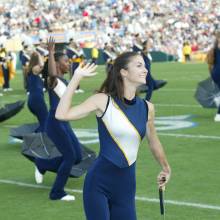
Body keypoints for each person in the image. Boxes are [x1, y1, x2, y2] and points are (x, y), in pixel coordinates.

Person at [56, 51, 171, 219]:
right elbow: (61, 114)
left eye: (145, 66)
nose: (145, 70)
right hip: (99, 183)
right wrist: (76, 78)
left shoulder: (147, 108)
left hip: (126, 187)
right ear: (123, 72)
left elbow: (153, 141)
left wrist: (166, 168)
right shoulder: (103, 100)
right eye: (139, 65)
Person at [34, 38, 82, 201]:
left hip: (64, 122)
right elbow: (52, 73)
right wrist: (51, 52)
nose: (68, 63)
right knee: (69, 157)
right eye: (66, 61)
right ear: (57, 63)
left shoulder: (65, 81)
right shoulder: (52, 80)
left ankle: (42, 164)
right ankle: (57, 193)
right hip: (55, 123)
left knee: (77, 157)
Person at [26, 51, 48, 132]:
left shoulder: (34, 70)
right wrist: (39, 55)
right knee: (45, 122)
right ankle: (40, 140)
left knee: (44, 122)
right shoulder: (34, 68)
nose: (42, 58)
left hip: (35, 99)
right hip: (36, 100)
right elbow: (42, 66)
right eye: (40, 57)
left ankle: (37, 138)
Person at [207, 32, 220, 122]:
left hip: (215, 73)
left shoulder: (214, 48)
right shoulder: (215, 49)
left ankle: (217, 98)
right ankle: (218, 114)